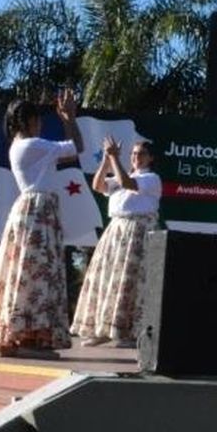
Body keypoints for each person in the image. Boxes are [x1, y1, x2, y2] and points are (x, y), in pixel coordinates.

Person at [0, 90, 84, 358]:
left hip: (31, 209)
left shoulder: (19, 145)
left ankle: (15, 336)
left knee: (23, 272)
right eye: (36, 119)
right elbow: (76, 147)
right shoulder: (31, 145)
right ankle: (29, 339)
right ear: (26, 121)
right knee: (38, 274)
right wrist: (70, 118)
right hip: (38, 211)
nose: (41, 125)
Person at [71, 137, 162, 348]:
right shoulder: (124, 175)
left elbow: (127, 184)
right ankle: (103, 329)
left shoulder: (152, 178)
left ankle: (128, 332)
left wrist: (114, 157)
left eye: (141, 154)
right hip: (115, 233)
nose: (136, 157)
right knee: (106, 280)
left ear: (151, 158)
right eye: (133, 154)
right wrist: (106, 159)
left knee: (128, 282)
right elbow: (98, 185)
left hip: (137, 233)